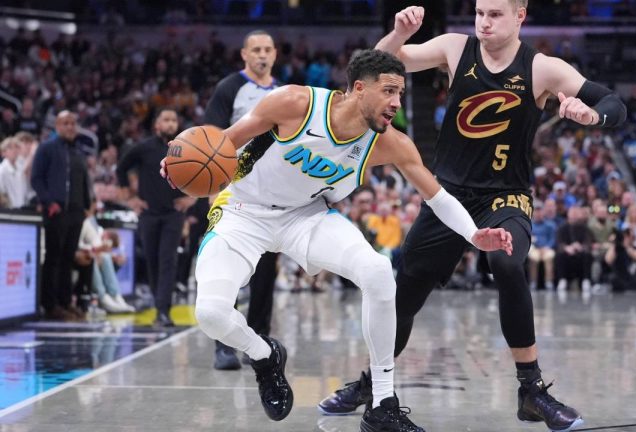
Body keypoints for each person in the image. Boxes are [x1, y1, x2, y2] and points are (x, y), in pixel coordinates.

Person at [162, 49, 512, 431]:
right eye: (390, 91)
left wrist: (474, 234)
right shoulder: (294, 102)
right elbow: (220, 145)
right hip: (243, 210)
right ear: (359, 89)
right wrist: (181, 165)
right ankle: (264, 356)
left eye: (400, 93)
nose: (397, 102)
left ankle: (382, 403)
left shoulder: (390, 143)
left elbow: (438, 197)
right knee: (210, 314)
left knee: (378, 270)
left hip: (304, 217)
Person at [320, 3, 626, 431]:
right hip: (448, 196)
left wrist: (591, 115)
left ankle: (531, 391)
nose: (484, 21)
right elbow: (379, 69)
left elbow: (614, 104)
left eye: (496, 14)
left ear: (520, 16)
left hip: (506, 197)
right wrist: (397, 33)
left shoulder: (543, 68)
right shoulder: (454, 48)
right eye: (480, 12)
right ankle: (373, 384)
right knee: (402, 294)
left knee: (505, 262)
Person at [203, 29, 282, 370]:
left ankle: (259, 341)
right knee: (229, 268)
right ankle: (224, 344)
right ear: (244, 55)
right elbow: (210, 142)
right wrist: (211, 193)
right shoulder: (229, 88)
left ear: (275, 54)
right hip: (233, 189)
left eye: (267, 49)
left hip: (274, 194)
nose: (262, 55)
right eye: (256, 50)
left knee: (266, 272)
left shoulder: (283, 93)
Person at [117, 109, 196, 327]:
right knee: (152, 260)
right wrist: (130, 199)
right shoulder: (143, 147)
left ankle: (164, 311)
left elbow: (202, 173)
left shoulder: (186, 149)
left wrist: (191, 198)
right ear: (157, 125)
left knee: (168, 260)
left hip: (173, 214)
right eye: (166, 120)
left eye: (173, 120)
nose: (170, 123)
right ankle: (159, 305)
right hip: (148, 213)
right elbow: (122, 168)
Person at [31, 111, 92, 320]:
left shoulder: (78, 152)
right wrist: (48, 202)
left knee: (68, 258)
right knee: (54, 258)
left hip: (76, 213)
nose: (70, 127)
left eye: (73, 123)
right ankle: (50, 304)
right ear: (57, 126)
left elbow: (84, 180)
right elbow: (36, 178)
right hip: (56, 212)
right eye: (65, 123)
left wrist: (86, 205)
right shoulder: (47, 148)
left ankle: (65, 302)